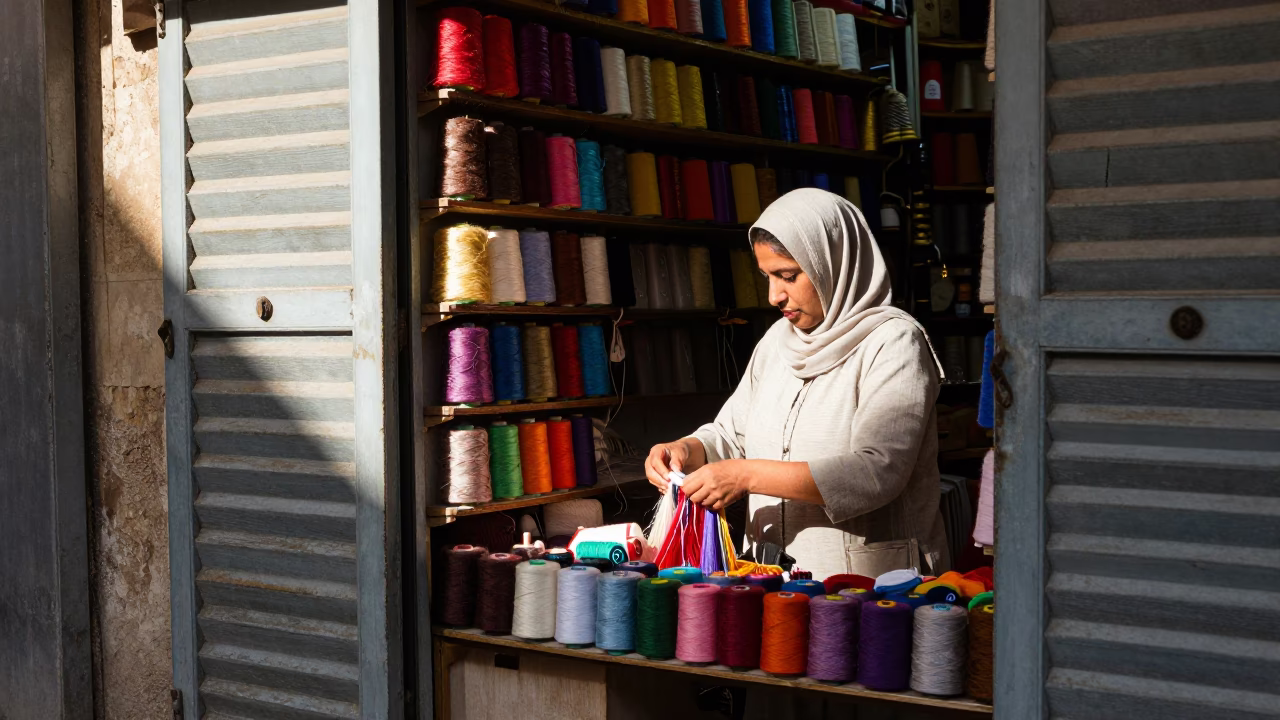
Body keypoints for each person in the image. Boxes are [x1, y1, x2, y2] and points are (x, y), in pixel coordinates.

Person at [645, 188, 949, 579]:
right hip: (771, 578)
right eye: (767, 276)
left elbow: (879, 470)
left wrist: (745, 475)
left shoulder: (894, 343)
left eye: (787, 276)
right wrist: (685, 449)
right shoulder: (778, 343)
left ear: (832, 262)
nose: (774, 295)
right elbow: (731, 435)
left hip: (870, 586)